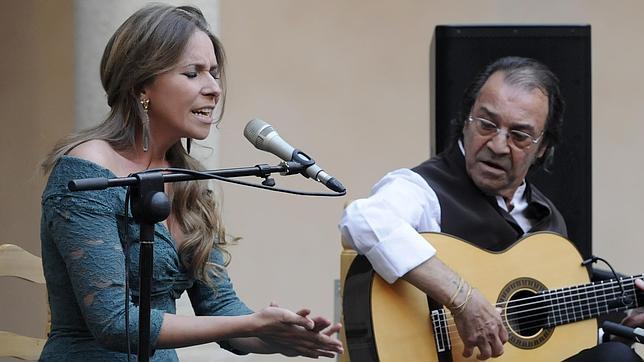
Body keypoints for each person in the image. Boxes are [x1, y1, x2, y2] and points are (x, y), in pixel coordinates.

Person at [39, 4, 343, 361]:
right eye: (193, 73)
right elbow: (114, 323)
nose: (214, 88)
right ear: (141, 84)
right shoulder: (86, 173)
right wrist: (250, 325)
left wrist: (274, 337)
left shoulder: (189, 183)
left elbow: (220, 306)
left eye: (213, 73)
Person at [339, 56, 642, 361]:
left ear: (543, 147)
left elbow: (548, 340)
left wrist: (619, 329)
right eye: (486, 124)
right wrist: (462, 299)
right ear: (466, 120)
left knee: (615, 355)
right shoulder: (424, 188)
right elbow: (365, 219)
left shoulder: (548, 222)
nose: (497, 145)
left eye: (519, 135)